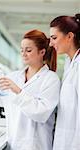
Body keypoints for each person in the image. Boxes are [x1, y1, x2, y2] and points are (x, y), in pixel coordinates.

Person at [0, 29, 60, 150]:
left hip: (36, 146)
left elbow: (41, 113)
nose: (23, 53)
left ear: (42, 52)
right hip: (14, 142)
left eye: (28, 50)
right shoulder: (14, 76)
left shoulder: (51, 79)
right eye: (22, 50)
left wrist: (18, 91)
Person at [49, 14, 80, 150]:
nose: (51, 43)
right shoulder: (70, 63)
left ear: (69, 36)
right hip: (64, 140)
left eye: (54, 38)